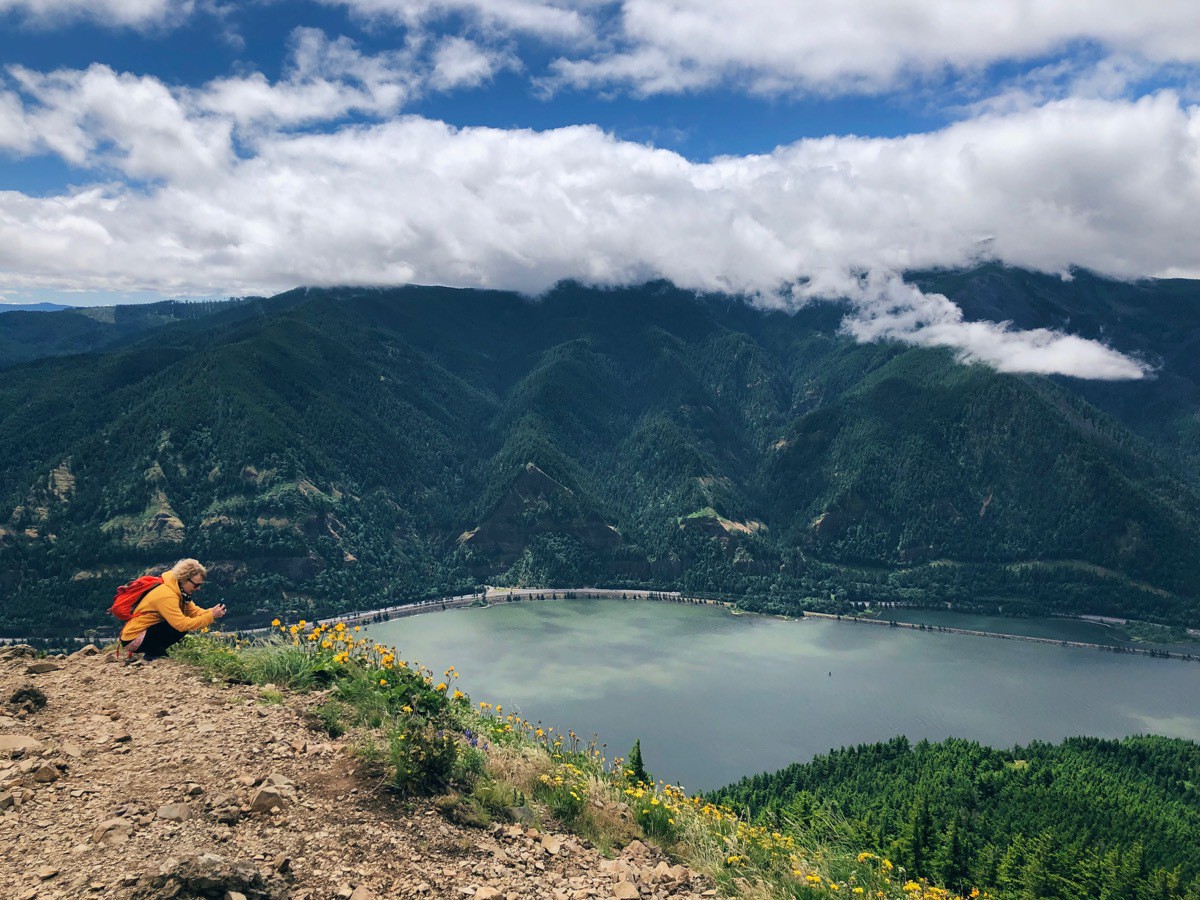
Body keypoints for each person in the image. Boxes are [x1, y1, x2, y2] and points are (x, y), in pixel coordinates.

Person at [117, 558, 226, 661]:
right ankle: (153, 653)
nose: (198, 588)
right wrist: (211, 616)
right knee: (178, 627)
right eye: (196, 585)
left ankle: (155, 651)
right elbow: (182, 624)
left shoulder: (178, 590)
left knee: (179, 623)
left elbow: (193, 611)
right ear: (184, 579)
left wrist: (212, 612)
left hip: (139, 634)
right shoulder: (167, 595)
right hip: (133, 640)